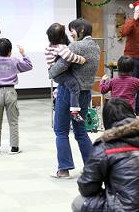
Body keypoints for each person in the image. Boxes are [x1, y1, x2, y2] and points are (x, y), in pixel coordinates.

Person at [72, 98, 139, 212]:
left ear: (106, 121)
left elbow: (87, 187)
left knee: (78, 202)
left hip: (128, 208)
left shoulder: (105, 145)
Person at [48, 18, 100, 179]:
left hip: (67, 93)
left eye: (72, 30)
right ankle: (92, 168)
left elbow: (58, 68)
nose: (70, 33)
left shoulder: (76, 46)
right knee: (81, 131)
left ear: (81, 30)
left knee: (61, 130)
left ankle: (64, 169)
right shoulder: (96, 46)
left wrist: (50, 72)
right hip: (85, 93)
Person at [0, 38, 33, 155]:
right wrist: (23, 54)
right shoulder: (14, 60)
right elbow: (29, 66)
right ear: (10, 51)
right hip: (10, 92)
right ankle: (14, 147)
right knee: (13, 121)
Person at [45, 23, 86, 122]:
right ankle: (75, 112)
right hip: (62, 74)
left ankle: (56, 93)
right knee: (74, 88)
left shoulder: (49, 47)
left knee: (65, 86)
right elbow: (70, 57)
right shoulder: (61, 47)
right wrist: (81, 59)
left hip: (56, 74)